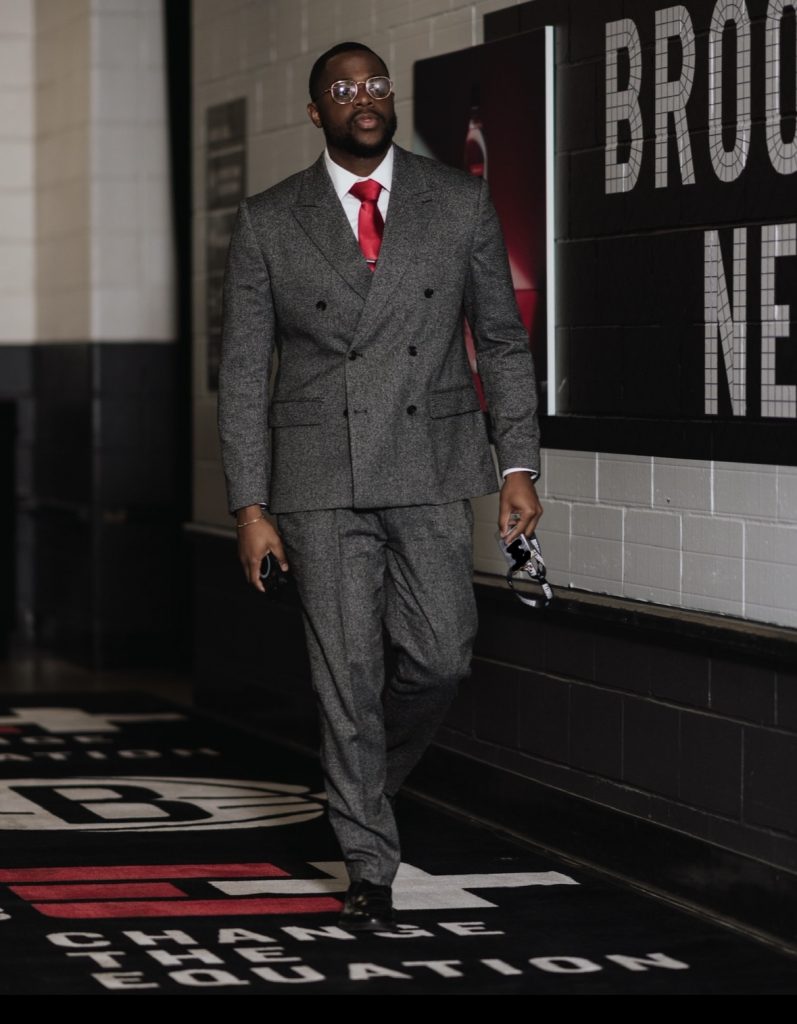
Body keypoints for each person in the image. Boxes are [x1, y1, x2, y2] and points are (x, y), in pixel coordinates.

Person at [217, 41, 543, 931]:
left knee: (441, 655)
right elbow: (245, 375)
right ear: (316, 111)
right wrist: (250, 509)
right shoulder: (270, 220)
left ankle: (355, 786)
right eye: (342, 89)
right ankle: (368, 857)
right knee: (348, 675)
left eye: (374, 84)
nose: (363, 98)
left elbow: (501, 344)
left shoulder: (457, 201)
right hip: (316, 477)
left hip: (430, 466)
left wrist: (516, 464)